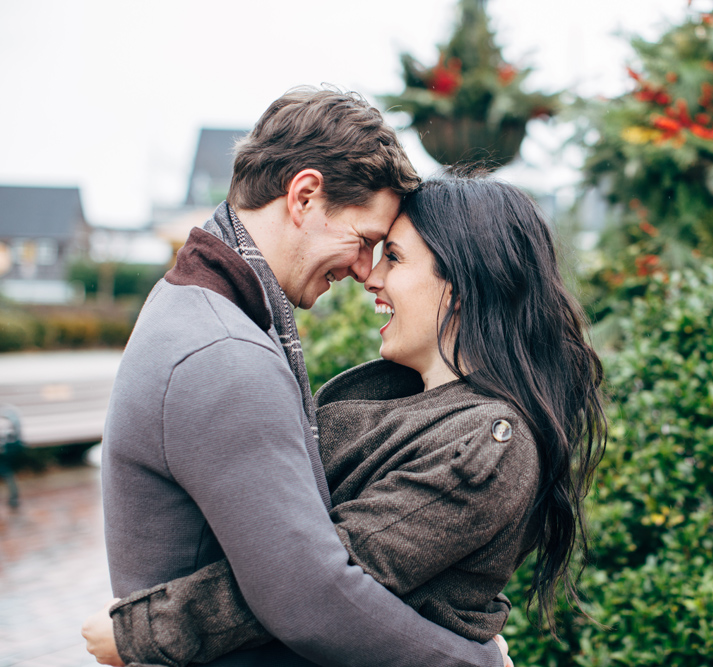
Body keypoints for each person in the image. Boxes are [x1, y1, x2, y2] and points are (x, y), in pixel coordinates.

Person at [84, 175, 606, 666]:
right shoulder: (395, 395)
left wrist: (143, 631)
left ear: (462, 286)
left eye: (395, 258)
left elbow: (317, 581)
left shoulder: (486, 443)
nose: (370, 276)